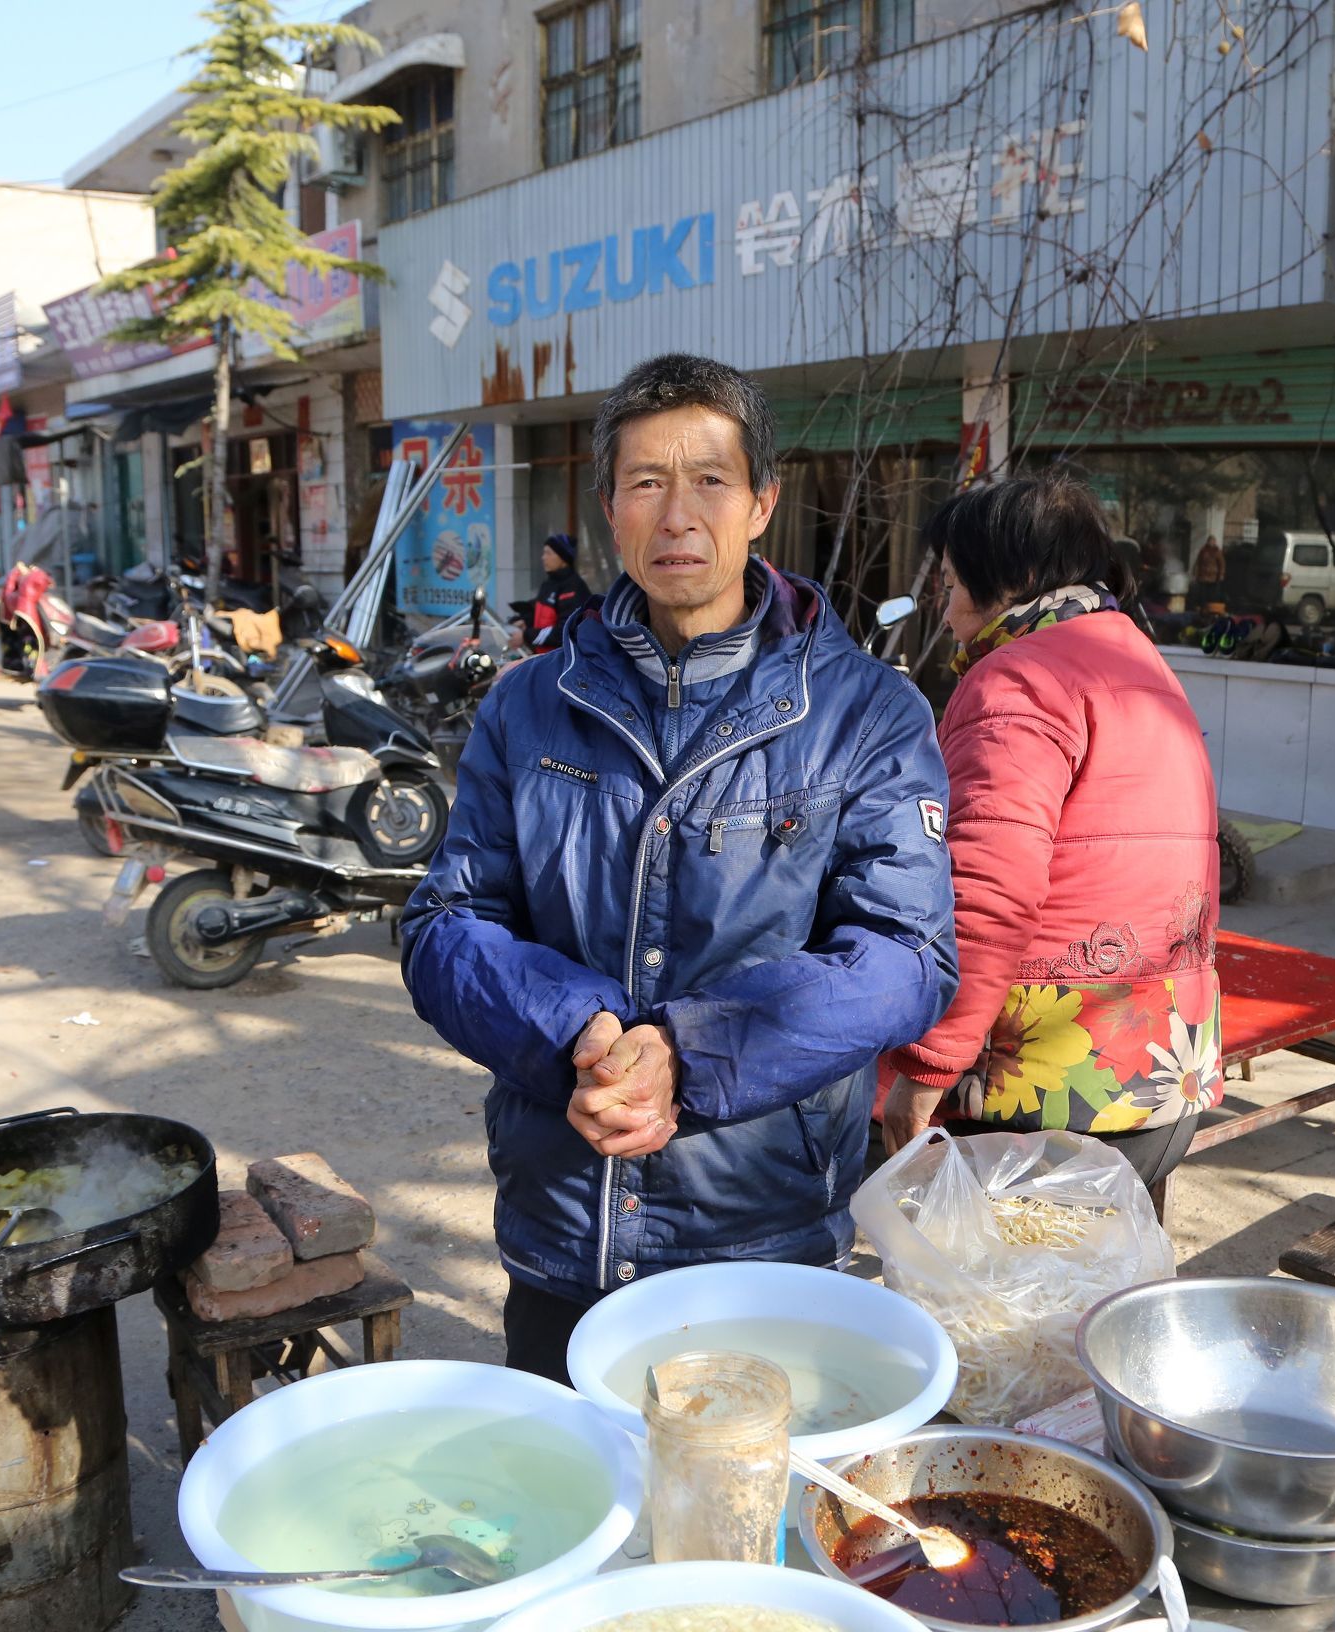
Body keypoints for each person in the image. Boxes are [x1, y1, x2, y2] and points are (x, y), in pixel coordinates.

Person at [400, 353, 958, 1384]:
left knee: (738, 1526)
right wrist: (576, 1032)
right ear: (608, 506)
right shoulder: (529, 705)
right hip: (564, 1227)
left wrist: (689, 1056)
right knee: (570, 1516)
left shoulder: (865, 714)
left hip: (761, 1235)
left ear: (762, 505)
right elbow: (444, 923)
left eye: (709, 480)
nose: (677, 516)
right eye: (646, 483)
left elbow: (906, 956)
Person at [880, 473, 1224, 1195]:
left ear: (1019, 578)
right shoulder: (1139, 658)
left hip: (1041, 1091)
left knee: (986, 1301)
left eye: (951, 585)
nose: (945, 612)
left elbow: (988, 891)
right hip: (1162, 1071)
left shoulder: (1018, 681)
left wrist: (929, 1068)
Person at [526, 532, 593, 654]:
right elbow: (540, 614)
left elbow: (565, 631)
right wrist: (523, 620)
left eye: (548, 553)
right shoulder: (548, 583)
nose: (543, 557)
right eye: (543, 553)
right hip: (544, 658)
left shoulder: (573, 587)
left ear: (563, 558)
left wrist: (526, 635)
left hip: (563, 661)